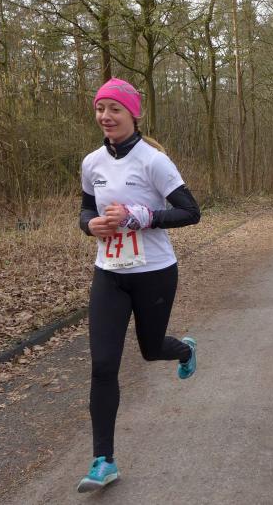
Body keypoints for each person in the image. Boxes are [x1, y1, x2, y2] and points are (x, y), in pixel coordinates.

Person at [77, 78, 201, 492]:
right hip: (109, 273)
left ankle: (183, 349)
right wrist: (90, 225)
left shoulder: (154, 161)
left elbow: (190, 212)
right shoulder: (92, 162)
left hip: (154, 272)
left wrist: (143, 216)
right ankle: (103, 461)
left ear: (134, 113)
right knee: (102, 366)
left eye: (114, 109)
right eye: (100, 109)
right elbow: (84, 211)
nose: (106, 116)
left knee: (151, 349)